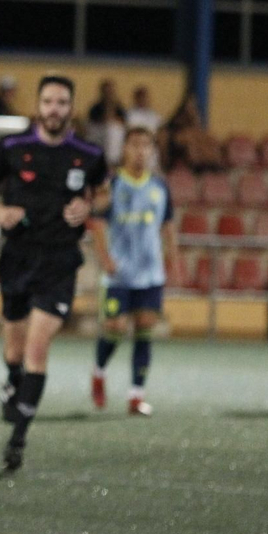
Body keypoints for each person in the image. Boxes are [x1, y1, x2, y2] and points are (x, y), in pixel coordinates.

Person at [0, 75, 109, 471]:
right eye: (48, 102)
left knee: (37, 348)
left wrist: (89, 206)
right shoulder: (13, 147)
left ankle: (18, 439)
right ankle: (12, 379)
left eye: (62, 102)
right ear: (37, 106)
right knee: (14, 350)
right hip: (17, 258)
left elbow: (105, 191)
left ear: (71, 107)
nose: (55, 109)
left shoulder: (88, 153)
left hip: (59, 262)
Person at [87, 127, 179, 417]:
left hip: (150, 273)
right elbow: (97, 222)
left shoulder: (160, 187)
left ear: (153, 151)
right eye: (135, 145)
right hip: (119, 273)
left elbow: (167, 225)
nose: (141, 151)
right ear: (124, 149)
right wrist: (104, 257)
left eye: (146, 145)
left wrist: (172, 257)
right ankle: (99, 371)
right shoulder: (112, 185)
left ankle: (136, 396)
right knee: (114, 327)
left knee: (144, 330)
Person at [162, 97, 224, 172]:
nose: (193, 114)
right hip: (182, 169)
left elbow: (216, 156)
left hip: (207, 169)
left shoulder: (206, 135)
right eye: (188, 111)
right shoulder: (169, 134)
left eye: (195, 110)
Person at [86, 79, 127, 162]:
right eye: (106, 91)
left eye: (110, 91)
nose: (108, 93)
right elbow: (92, 123)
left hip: (115, 149)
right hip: (99, 140)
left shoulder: (119, 108)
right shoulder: (95, 108)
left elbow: (123, 123)